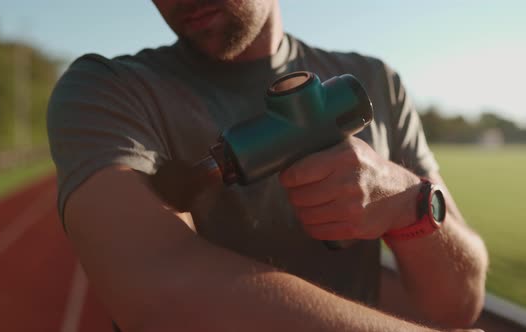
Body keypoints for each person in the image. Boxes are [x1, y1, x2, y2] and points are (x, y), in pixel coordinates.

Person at [46, 1, 488, 331]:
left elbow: (458, 305)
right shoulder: (108, 92)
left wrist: (405, 199)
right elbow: (158, 293)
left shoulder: (377, 84)